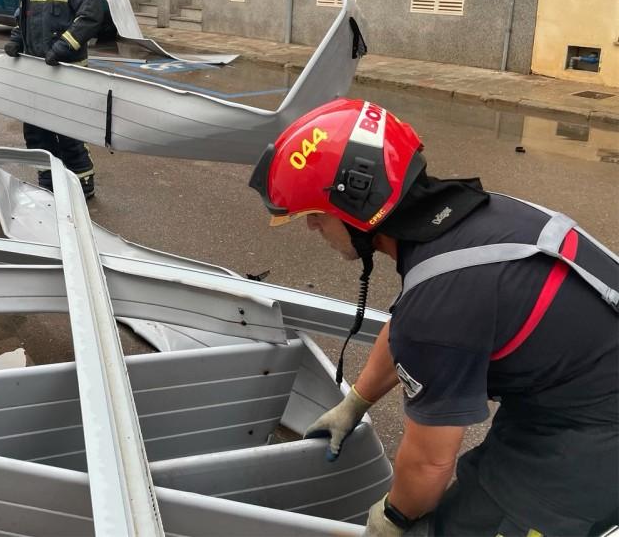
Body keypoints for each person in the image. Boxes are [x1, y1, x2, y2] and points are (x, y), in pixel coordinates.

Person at [248, 98, 618, 537]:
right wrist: (356, 402)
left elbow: (429, 463)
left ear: (357, 204)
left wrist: (392, 518)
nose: (312, 228)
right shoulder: (474, 218)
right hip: (570, 396)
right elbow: (408, 328)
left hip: (591, 441)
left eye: (314, 215)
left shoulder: (440, 303)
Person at [2, 0, 105, 199]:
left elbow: (92, 12)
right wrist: (16, 40)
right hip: (36, 72)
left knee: (68, 131)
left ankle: (82, 183)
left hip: (66, 72)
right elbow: (24, 20)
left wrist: (63, 48)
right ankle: (49, 182)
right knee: (36, 132)